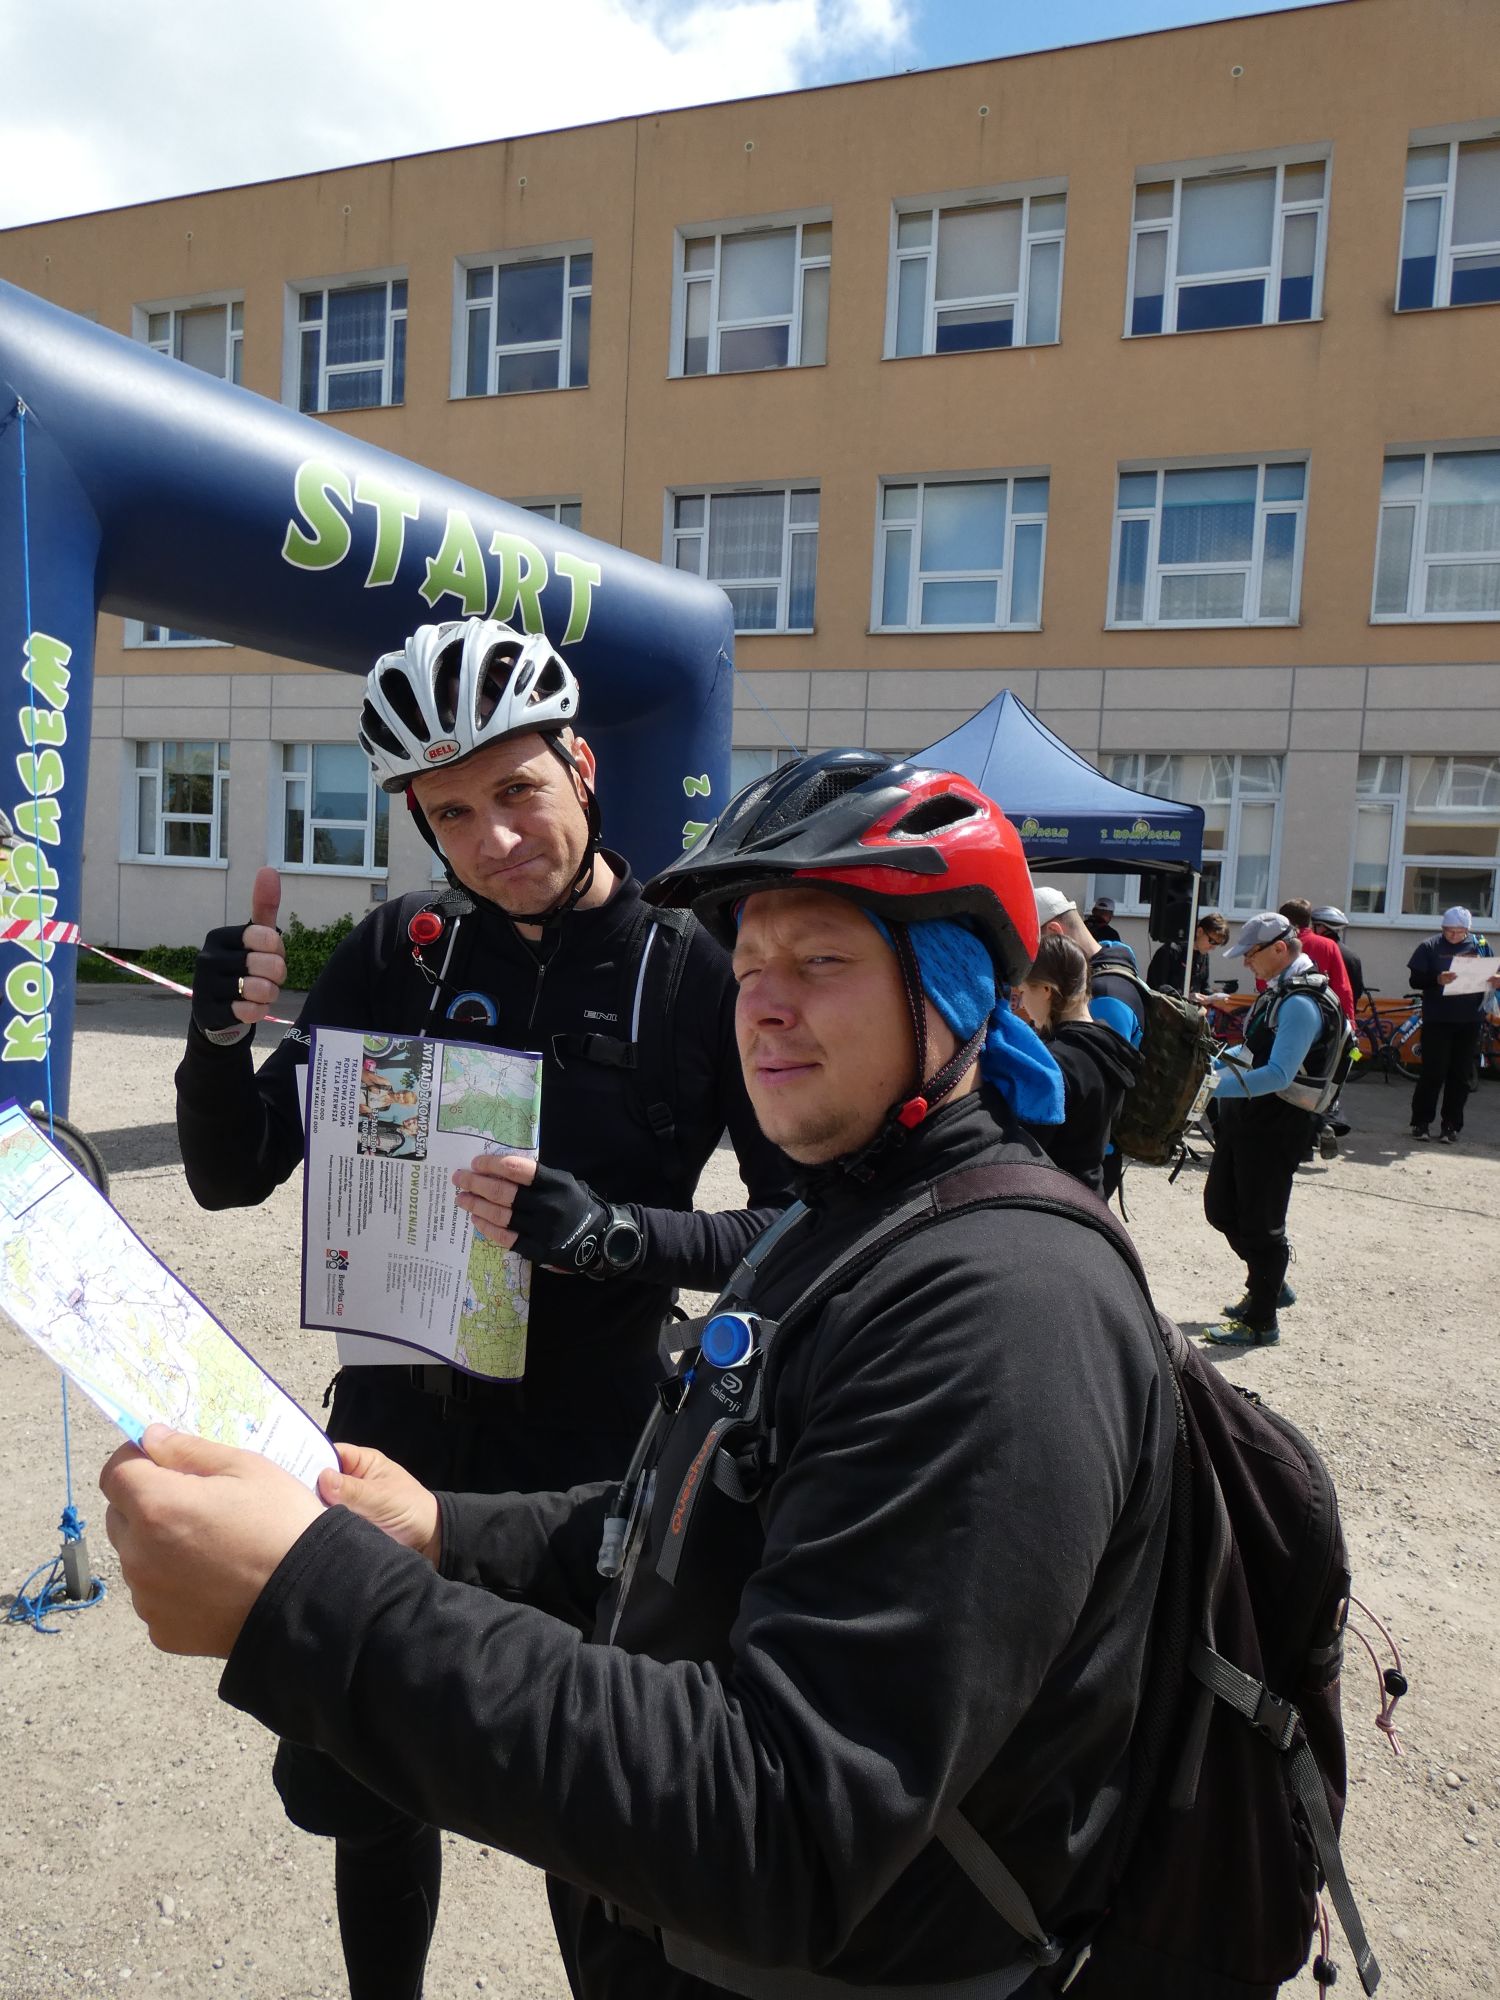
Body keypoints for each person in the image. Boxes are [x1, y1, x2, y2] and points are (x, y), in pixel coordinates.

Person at [111, 752, 1176, 2000]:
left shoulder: (1003, 1306)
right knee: (383, 1808)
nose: (764, 1005)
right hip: (431, 1436)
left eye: (821, 960)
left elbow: (779, 1830)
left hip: (846, 1963)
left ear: (951, 987)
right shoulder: (851, 1218)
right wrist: (440, 1527)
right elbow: (686, 1517)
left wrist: (313, 1600)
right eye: (754, 964)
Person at [174, 617, 793, 2000]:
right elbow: (233, 1171)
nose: (494, 838)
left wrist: (626, 1235)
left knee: (605, 1816)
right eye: (451, 812)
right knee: (373, 1787)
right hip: (390, 1435)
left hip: (587, 1469)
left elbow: (799, 1231)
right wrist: (218, 1045)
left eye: (518, 790)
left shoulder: (694, 968)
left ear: (582, 767)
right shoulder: (400, 952)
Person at [1199, 913, 1347, 1348]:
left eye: (1251, 954)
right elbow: (1252, 1050)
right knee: (1221, 1208)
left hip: (1278, 1126)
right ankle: (1271, 1283)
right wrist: (1210, 1066)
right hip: (1250, 1120)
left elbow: (1279, 1074)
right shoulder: (1279, 992)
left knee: (1262, 1223)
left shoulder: (1300, 1002)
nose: (1246, 963)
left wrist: (1207, 1086)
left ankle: (1261, 1321)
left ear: (1280, 948)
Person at [1034, 887, 1146, 1201]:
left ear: (1054, 933)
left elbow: (1099, 1092)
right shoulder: (1115, 958)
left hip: (1090, 1158)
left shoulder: (1106, 994)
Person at [1407, 905, 1498, 1143]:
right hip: (1438, 1019)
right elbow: (1415, 980)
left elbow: (1494, 973)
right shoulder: (1429, 946)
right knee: (1433, 1072)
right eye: (1449, 930)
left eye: (1459, 931)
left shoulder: (1480, 945)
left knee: (1460, 1075)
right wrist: (1437, 979)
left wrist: (1496, 980)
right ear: (1442, 928)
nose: (1454, 935)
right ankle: (1421, 1123)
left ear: (1467, 930)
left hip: (1470, 1020)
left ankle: (1451, 1125)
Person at [1278, 899, 1355, 1027]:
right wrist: (1349, 1022)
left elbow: (1262, 983)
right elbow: (1342, 987)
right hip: (1321, 1017)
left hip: (1280, 1014)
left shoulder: (1277, 946)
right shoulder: (1328, 945)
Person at [1146, 910, 1229, 998]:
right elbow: (1159, 987)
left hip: (1188, 1006)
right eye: (1212, 941)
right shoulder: (1170, 951)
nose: (1213, 947)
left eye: (1217, 944)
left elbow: (1204, 988)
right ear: (1199, 931)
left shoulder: (1204, 955)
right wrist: (1187, 997)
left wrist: (1215, 997)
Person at [1310, 905, 1364, 1010]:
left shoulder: (1317, 951)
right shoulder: (1352, 956)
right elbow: (1357, 990)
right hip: (1343, 1013)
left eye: (1314, 925)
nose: (1312, 929)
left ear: (1322, 927)